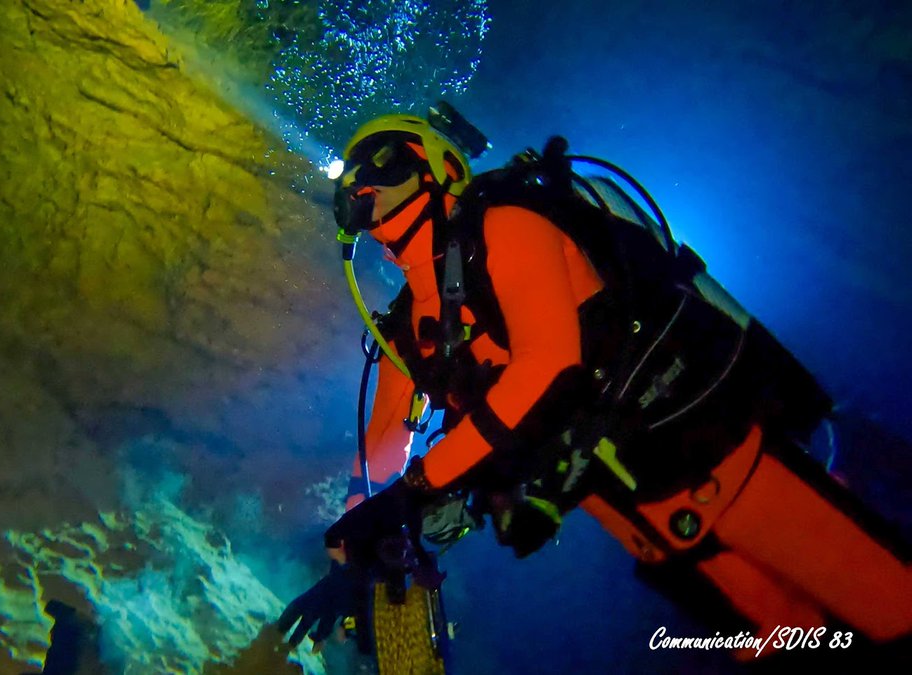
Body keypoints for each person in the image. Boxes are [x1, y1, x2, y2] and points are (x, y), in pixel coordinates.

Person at [277, 109, 912, 661]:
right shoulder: (407, 331)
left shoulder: (507, 227)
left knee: (895, 610)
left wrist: (418, 490)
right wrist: (347, 547)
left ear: (438, 167)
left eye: (383, 164)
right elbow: (382, 456)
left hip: (725, 469)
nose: (365, 185)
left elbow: (549, 364)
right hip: (653, 532)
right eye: (355, 177)